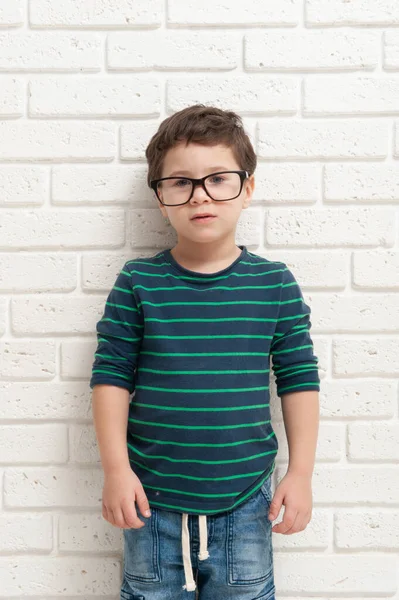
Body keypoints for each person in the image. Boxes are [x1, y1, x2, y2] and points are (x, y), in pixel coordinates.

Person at [89, 104, 320, 600]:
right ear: (160, 197)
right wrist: (115, 470)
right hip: (149, 500)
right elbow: (111, 377)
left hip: (247, 501)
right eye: (181, 182)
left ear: (247, 187)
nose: (201, 196)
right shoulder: (139, 283)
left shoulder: (273, 284)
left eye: (218, 179)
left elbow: (299, 379)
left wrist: (300, 474)